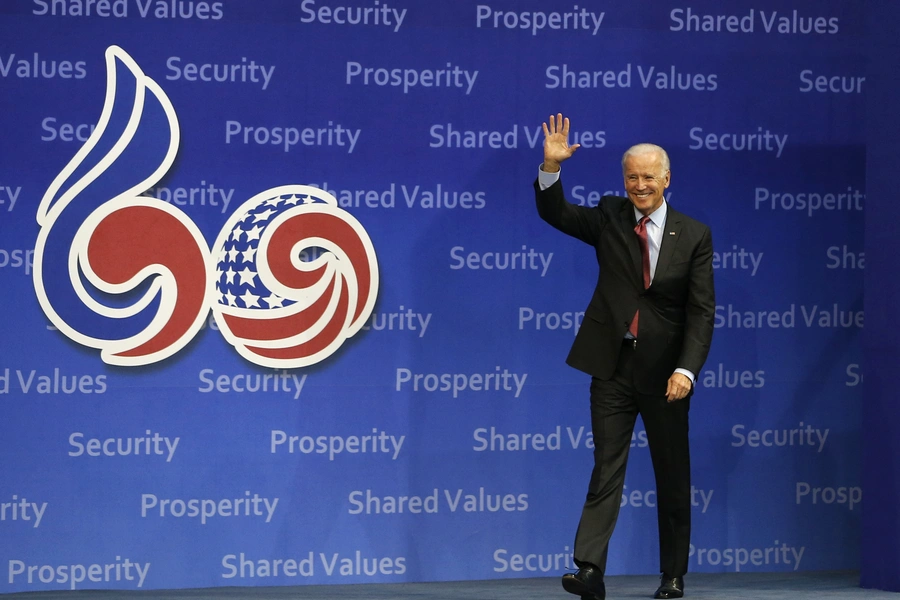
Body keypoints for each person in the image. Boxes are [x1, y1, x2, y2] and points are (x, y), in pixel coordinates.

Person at [534, 114, 715, 600]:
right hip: (612, 367)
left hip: (665, 376)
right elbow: (556, 214)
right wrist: (551, 168)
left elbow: (701, 312)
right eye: (632, 177)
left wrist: (686, 370)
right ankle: (589, 570)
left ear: (666, 180)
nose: (639, 185)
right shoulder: (610, 217)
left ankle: (672, 574)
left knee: (672, 475)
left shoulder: (694, 235)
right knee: (605, 468)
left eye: (648, 177)